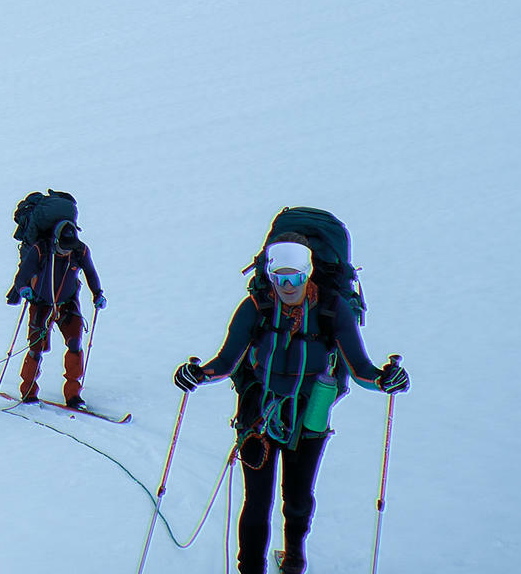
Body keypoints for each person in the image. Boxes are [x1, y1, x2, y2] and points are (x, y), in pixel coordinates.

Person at [173, 236, 410, 574]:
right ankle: (251, 568)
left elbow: (360, 368)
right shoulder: (256, 308)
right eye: (280, 278)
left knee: (297, 499)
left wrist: (386, 378)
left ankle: (294, 560)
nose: (288, 286)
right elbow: (226, 361)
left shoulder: (332, 309)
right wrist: (197, 374)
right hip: (258, 416)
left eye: (295, 278)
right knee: (257, 501)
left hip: (309, 417)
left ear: (308, 273)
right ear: (270, 276)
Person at [6, 217, 106, 407]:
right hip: (41, 302)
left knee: (75, 343)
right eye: (64, 246)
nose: (67, 250)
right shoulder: (40, 250)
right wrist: (23, 289)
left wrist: (98, 294)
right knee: (36, 348)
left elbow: (91, 273)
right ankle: (28, 391)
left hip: (68, 303)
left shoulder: (80, 251)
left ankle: (73, 395)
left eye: (70, 246)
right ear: (55, 241)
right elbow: (22, 277)